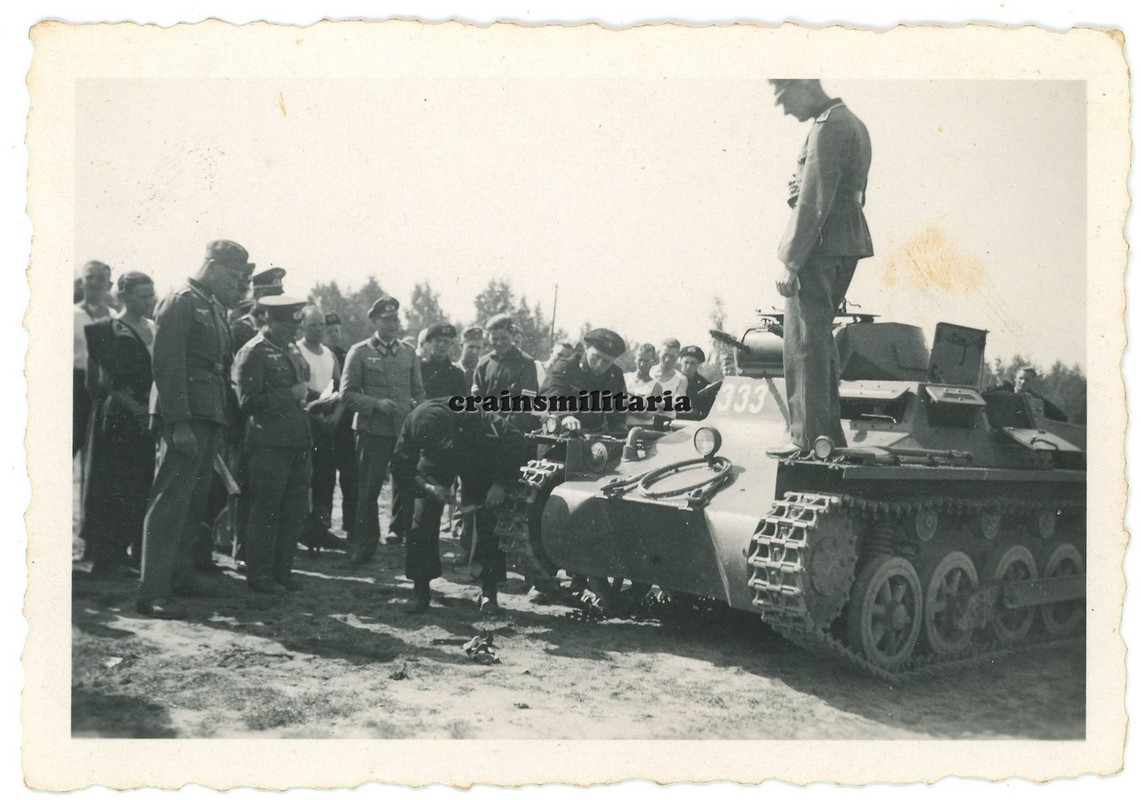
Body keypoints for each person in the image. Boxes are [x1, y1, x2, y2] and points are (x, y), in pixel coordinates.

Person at [136, 240, 255, 619]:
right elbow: (167, 366)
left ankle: (180, 576)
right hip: (187, 415)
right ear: (215, 267)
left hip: (209, 413)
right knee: (170, 500)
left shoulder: (211, 306)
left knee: (194, 501)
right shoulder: (181, 301)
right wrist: (179, 422)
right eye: (234, 277)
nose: (237, 285)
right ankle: (152, 589)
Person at [766, 78, 873, 456]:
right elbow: (850, 191)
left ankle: (806, 439)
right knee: (820, 337)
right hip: (844, 238)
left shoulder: (830, 126)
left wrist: (791, 261)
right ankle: (826, 435)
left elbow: (814, 199)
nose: (783, 108)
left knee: (804, 340)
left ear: (805, 86)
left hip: (819, 243)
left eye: (784, 97)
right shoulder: (852, 122)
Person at [391, 399, 526, 614]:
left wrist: (500, 484)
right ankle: (420, 588)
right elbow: (400, 465)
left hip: (476, 455)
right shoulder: (413, 424)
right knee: (422, 516)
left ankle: (488, 591)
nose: (445, 446)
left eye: (445, 441)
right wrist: (428, 487)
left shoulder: (474, 414)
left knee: (487, 516)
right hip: (434, 461)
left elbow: (515, 439)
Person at [233, 295, 313, 594]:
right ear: (270, 321)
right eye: (288, 325)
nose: (294, 332)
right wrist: (290, 395)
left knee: (293, 511)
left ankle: (283, 571)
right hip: (268, 445)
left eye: (296, 325)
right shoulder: (254, 352)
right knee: (266, 510)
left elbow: (299, 389)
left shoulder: (289, 349)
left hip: (297, 442)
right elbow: (248, 401)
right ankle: (260, 575)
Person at [80, 272, 157, 577]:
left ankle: (130, 551)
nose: (148, 301)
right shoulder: (110, 329)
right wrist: (138, 410)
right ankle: (108, 557)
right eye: (141, 295)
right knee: (114, 483)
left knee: (140, 482)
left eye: (151, 295)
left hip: (147, 413)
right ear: (124, 296)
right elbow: (105, 382)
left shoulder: (153, 327)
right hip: (120, 415)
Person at [341, 295, 426, 566]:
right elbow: (347, 395)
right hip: (371, 432)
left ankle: (410, 543)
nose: (392, 324)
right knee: (368, 490)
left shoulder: (408, 352)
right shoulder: (359, 352)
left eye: (395, 319)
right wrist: (375, 404)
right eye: (386, 319)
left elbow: (419, 391)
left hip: (403, 432)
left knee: (409, 488)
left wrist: (419, 414)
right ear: (374, 321)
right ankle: (365, 546)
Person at [296, 306, 346, 551]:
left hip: (326, 425)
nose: (318, 330)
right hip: (304, 422)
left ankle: (320, 528)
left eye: (321, 325)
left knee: (326, 475)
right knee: (304, 476)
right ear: (302, 325)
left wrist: (335, 416)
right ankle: (300, 529)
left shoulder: (329, 354)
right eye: (313, 325)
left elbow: (339, 388)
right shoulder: (296, 351)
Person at [541, 328, 629, 434]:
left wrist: (621, 430)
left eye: (606, 361)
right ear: (586, 348)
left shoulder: (616, 374)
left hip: (594, 439)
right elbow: (550, 393)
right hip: (559, 434)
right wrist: (565, 415)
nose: (599, 364)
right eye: (596, 357)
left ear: (614, 360)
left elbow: (618, 412)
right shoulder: (566, 366)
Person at [324, 312, 358, 538]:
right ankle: (321, 526)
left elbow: (351, 389)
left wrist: (339, 414)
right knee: (323, 479)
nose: (335, 334)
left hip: (344, 425)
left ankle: (351, 526)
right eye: (330, 331)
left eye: (337, 330)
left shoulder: (346, 356)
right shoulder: (317, 354)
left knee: (350, 477)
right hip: (321, 426)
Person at [74, 260, 113, 457]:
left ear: (109, 285)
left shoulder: (115, 318)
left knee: (99, 456)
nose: (95, 283)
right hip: (75, 389)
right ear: (80, 282)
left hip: (106, 391)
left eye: (101, 278)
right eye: (89, 277)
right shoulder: (70, 315)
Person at [230, 266, 286, 353]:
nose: (276, 300)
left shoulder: (280, 325)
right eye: (271, 295)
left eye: (278, 296)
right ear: (258, 294)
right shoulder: (243, 326)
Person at [419, 323, 467, 400]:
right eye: (438, 340)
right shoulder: (420, 369)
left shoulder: (457, 373)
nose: (441, 345)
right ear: (430, 342)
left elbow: (461, 402)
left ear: (451, 344)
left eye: (446, 341)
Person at [677, 345, 714, 420]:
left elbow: (707, 412)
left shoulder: (705, 386)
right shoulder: (671, 379)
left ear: (698, 365)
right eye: (686, 362)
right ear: (680, 361)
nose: (688, 366)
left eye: (692, 363)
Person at [456, 326, 484, 392]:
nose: (475, 352)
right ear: (461, 346)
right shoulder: (452, 370)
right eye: (471, 347)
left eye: (478, 348)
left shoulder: (484, 371)